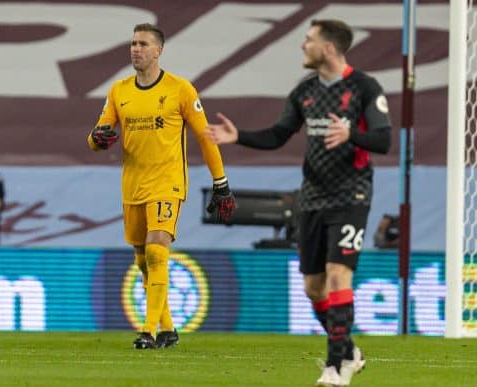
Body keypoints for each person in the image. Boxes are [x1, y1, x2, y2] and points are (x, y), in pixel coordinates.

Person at [206, 19, 391, 386]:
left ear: (328, 48)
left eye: (308, 40)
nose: (302, 46)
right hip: (312, 196)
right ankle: (351, 351)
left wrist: (352, 133)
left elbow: (384, 141)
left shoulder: (364, 88)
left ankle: (336, 367)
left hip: (351, 195)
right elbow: (278, 135)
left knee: (339, 274)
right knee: (313, 287)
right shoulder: (305, 92)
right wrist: (238, 135)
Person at [87, 23, 235, 349]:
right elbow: (97, 137)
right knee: (143, 261)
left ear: (158, 50)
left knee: (156, 250)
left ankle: (148, 331)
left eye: (143, 44)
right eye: (133, 43)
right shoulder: (119, 91)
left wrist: (220, 183)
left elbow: (205, 138)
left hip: (167, 183)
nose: (135, 49)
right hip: (133, 186)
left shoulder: (181, 90)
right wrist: (97, 139)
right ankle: (168, 328)